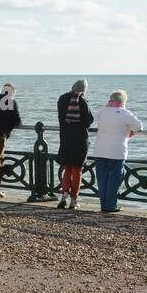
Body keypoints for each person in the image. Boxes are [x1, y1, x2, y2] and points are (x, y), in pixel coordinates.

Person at [93, 89, 143, 213]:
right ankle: (110, 206)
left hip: (100, 150)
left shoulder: (102, 112)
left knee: (102, 179)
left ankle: (104, 204)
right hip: (116, 151)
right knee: (114, 179)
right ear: (123, 102)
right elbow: (138, 127)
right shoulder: (124, 113)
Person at [56, 79, 93, 210]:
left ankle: (63, 197)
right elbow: (89, 120)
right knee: (77, 170)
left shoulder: (62, 99)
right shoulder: (82, 101)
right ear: (84, 90)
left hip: (65, 138)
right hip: (80, 139)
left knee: (67, 169)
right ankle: (74, 200)